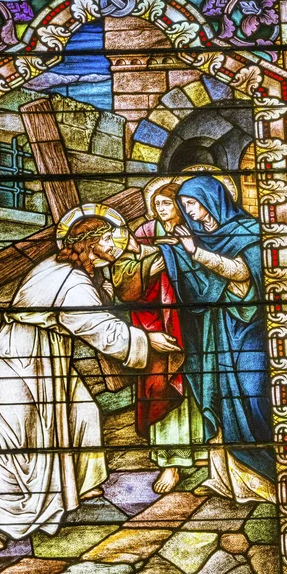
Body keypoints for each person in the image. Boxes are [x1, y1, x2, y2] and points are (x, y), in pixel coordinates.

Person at [0, 216, 181, 552]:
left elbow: (97, 306)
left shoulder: (76, 270)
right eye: (107, 241)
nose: (113, 247)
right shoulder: (71, 279)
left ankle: (78, 482)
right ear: (87, 243)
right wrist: (147, 341)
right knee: (23, 441)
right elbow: (96, 325)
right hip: (25, 354)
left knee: (84, 413)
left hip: (48, 350)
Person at [160, 176, 276, 503]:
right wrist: (176, 252)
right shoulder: (194, 235)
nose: (190, 212)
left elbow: (242, 272)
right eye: (184, 206)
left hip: (250, 329)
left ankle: (265, 478)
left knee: (253, 395)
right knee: (219, 392)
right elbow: (187, 277)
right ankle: (227, 479)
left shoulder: (246, 230)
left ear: (213, 198)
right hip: (215, 329)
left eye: (193, 204)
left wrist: (195, 252)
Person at [112, 183, 206, 494]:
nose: (162, 208)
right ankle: (170, 461)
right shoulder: (145, 232)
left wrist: (181, 254)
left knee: (197, 386)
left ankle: (198, 453)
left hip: (192, 321)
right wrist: (155, 261)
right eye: (158, 203)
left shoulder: (194, 230)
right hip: (154, 323)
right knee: (162, 387)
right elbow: (122, 276)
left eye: (168, 202)